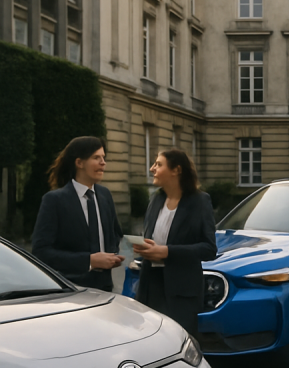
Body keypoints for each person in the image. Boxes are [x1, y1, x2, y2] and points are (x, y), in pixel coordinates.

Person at [135, 148, 217, 337]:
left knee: (180, 343)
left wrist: (167, 252)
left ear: (176, 170)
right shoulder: (156, 199)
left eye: (158, 164)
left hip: (182, 292)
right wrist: (142, 247)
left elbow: (209, 249)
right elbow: (152, 237)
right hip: (150, 286)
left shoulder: (200, 201)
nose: (152, 169)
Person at [32, 136, 124, 291]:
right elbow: (41, 252)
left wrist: (118, 254)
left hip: (106, 288)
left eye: (104, 157)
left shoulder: (105, 195)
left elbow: (116, 235)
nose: (103, 162)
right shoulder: (54, 200)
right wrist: (89, 261)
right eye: (96, 157)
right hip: (71, 289)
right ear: (79, 162)